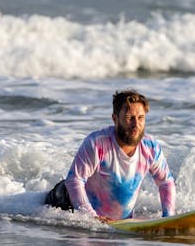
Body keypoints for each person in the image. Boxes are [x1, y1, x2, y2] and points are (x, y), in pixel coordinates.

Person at [45, 89, 176, 222]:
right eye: (130, 118)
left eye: (141, 118)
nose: (136, 124)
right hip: (64, 203)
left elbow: (166, 182)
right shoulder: (97, 143)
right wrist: (92, 217)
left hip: (116, 221)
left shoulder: (150, 147)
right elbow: (74, 180)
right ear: (115, 119)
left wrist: (168, 217)